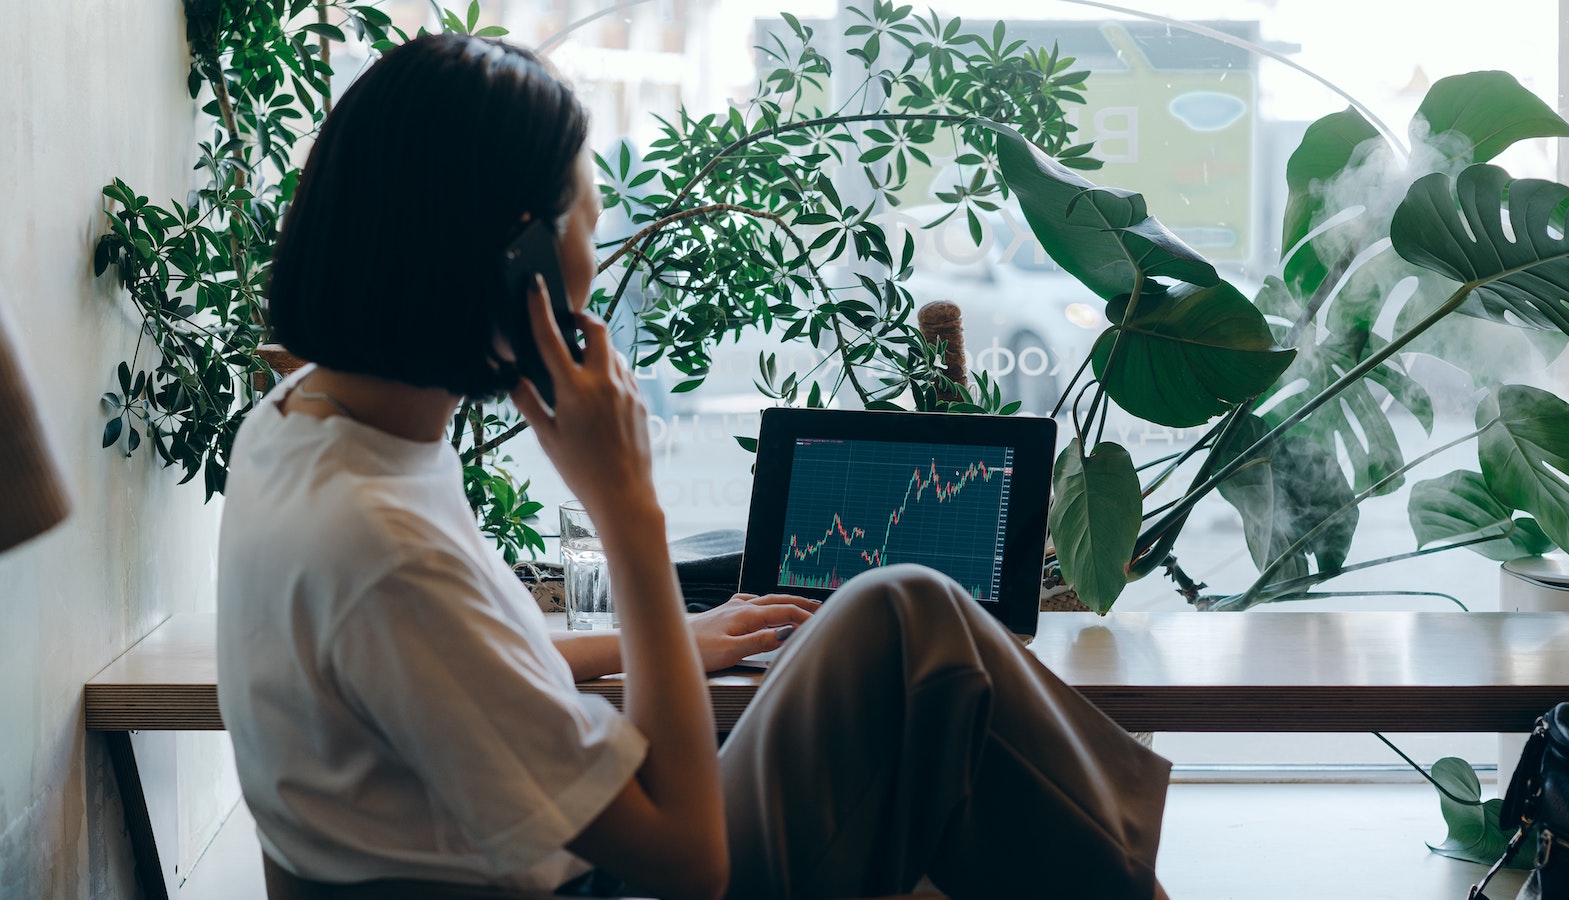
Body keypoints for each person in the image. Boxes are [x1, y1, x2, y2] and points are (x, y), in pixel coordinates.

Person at [217, 33, 1171, 900]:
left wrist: (682, 635)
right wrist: (630, 516)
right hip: (613, 880)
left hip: (548, 851)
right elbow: (690, 861)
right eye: (591, 218)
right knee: (929, 663)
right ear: (521, 270)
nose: (604, 248)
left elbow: (453, 666)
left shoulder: (303, 425)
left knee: (902, 617)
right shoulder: (385, 545)